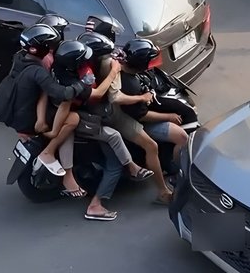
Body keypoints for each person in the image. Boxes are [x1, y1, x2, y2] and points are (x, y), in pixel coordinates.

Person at [52, 40, 154, 221]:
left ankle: (132, 167)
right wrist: (114, 71)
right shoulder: (76, 81)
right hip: (77, 118)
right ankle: (96, 205)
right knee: (114, 159)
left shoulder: (60, 68)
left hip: (75, 115)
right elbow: (99, 94)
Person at [78, 29, 174, 205]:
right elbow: (116, 97)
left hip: (96, 110)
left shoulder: (87, 65)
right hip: (112, 112)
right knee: (151, 145)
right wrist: (142, 97)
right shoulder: (108, 64)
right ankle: (162, 191)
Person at [9, 24, 87, 182]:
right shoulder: (42, 66)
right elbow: (64, 94)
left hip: (23, 112)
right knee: (73, 117)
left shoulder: (20, 58)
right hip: (34, 113)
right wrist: (82, 83)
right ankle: (54, 156)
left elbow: (44, 91)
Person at [118, 39, 189, 204]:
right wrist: (169, 116)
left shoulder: (128, 70)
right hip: (140, 122)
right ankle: (165, 189)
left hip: (141, 111)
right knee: (178, 138)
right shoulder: (130, 85)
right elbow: (142, 115)